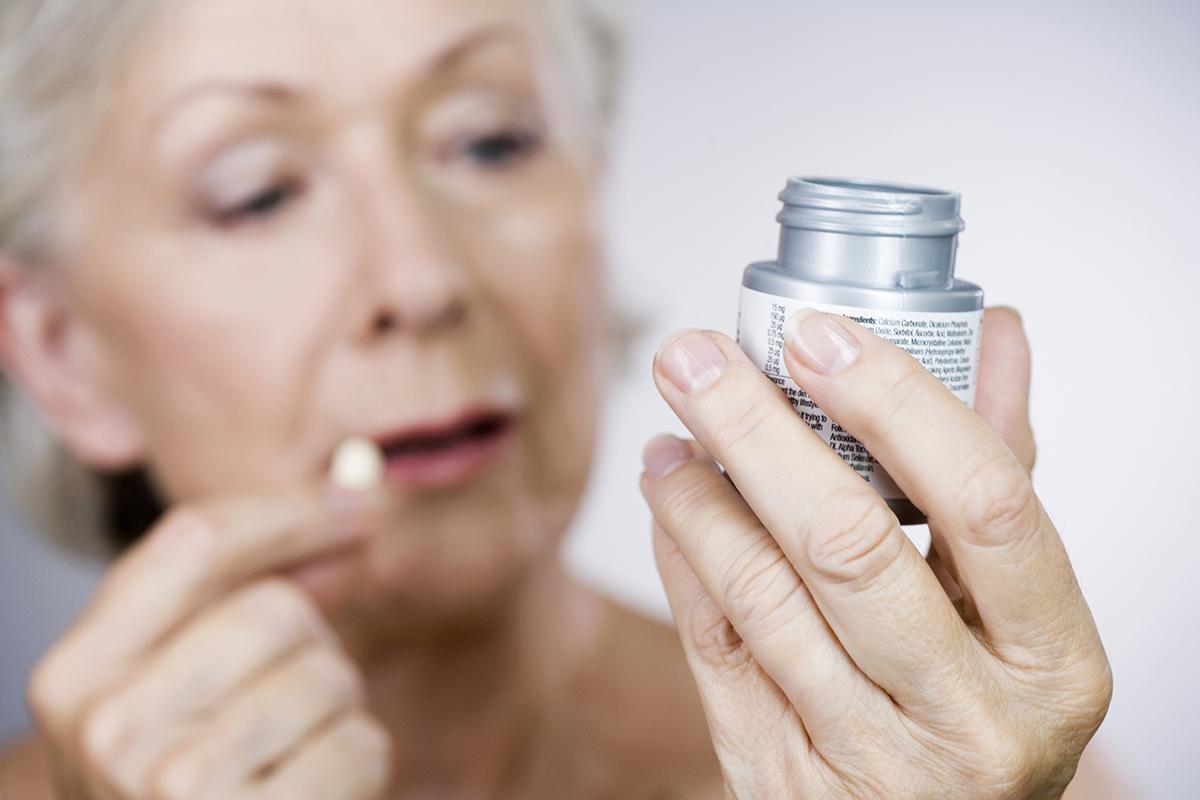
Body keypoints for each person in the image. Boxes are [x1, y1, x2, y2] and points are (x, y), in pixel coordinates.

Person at [0, 1, 1116, 797]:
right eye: (257, 193)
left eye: (489, 141)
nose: (422, 278)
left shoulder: (948, 759)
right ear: (62, 353)